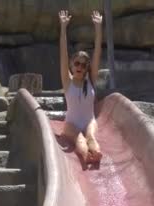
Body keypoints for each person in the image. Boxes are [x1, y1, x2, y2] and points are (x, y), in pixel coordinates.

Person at [58, 9, 103, 164]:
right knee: (79, 139)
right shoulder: (67, 81)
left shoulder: (90, 80)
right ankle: (85, 157)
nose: (80, 67)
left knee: (90, 137)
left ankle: (96, 153)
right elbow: (63, 54)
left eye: (83, 65)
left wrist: (98, 29)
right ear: (71, 65)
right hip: (71, 123)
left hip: (89, 120)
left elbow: (97, 53)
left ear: (86, 68)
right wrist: (63, 27)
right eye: (76, 63)